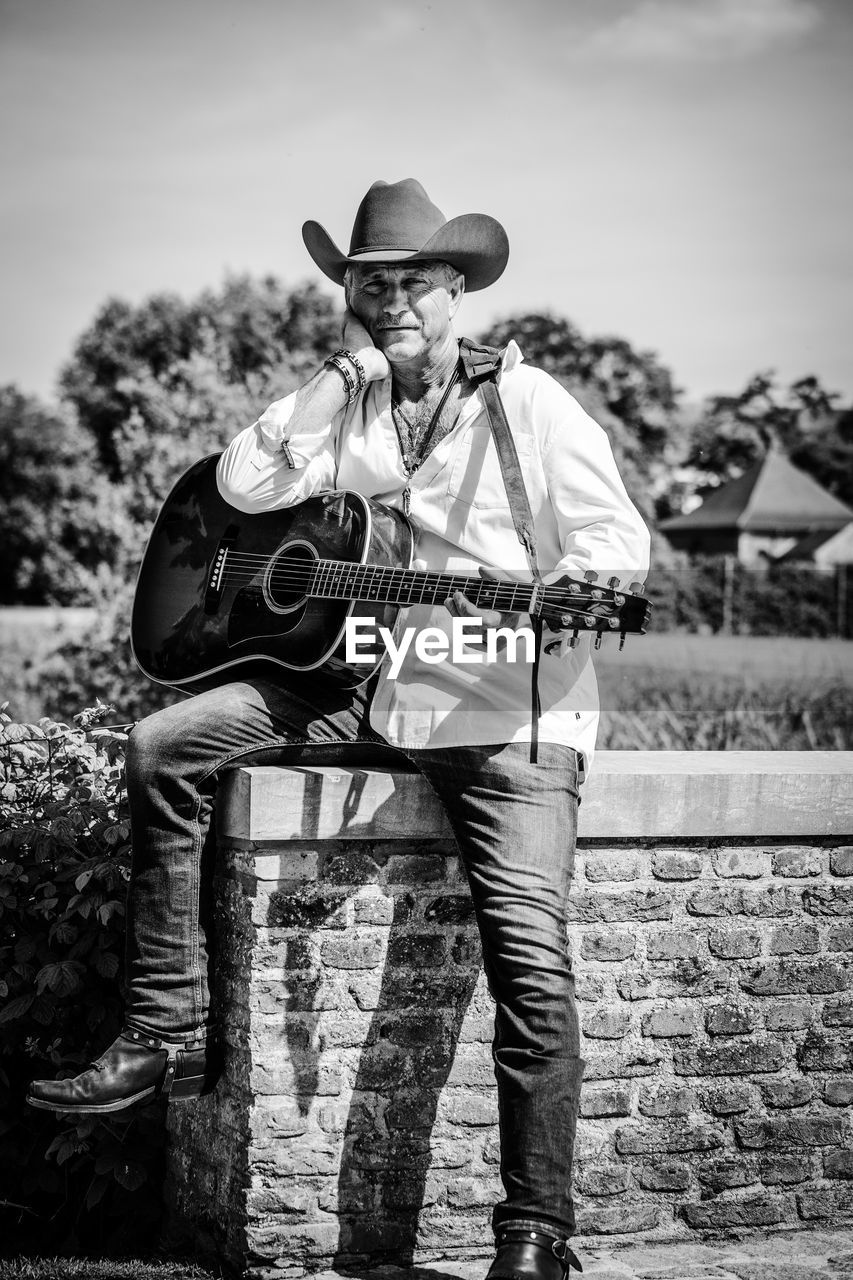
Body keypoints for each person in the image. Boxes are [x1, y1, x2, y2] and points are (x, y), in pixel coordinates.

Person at [28, 179, 649, 1280]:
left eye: (414, 279)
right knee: (162, 746)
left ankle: (536, 1228)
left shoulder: (532, 405)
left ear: (456, 289)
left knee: (530, 965)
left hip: (510, 710)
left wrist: (518, 600)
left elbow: (615, 553)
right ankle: (164, 1027)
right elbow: (241, 481)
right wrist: (338, 373)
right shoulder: (352, 403)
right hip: (370, 683)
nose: (392, 298)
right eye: (372, 282)